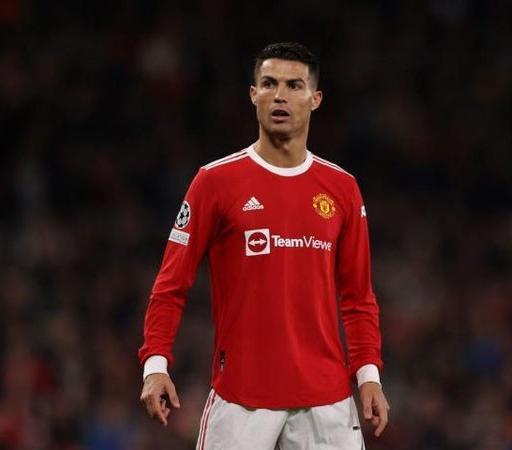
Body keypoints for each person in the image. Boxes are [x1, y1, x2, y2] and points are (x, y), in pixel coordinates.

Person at [138, 42, 389, 449]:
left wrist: (369, 375)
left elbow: (358, 297)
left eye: (294, 86)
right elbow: (171, 285)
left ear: (315, 99)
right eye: (269, 84)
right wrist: (155, 364)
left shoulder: (342, 188)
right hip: (241, 398)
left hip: (327, 403)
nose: (280, 95)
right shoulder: (215, 182)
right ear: (253, 95)